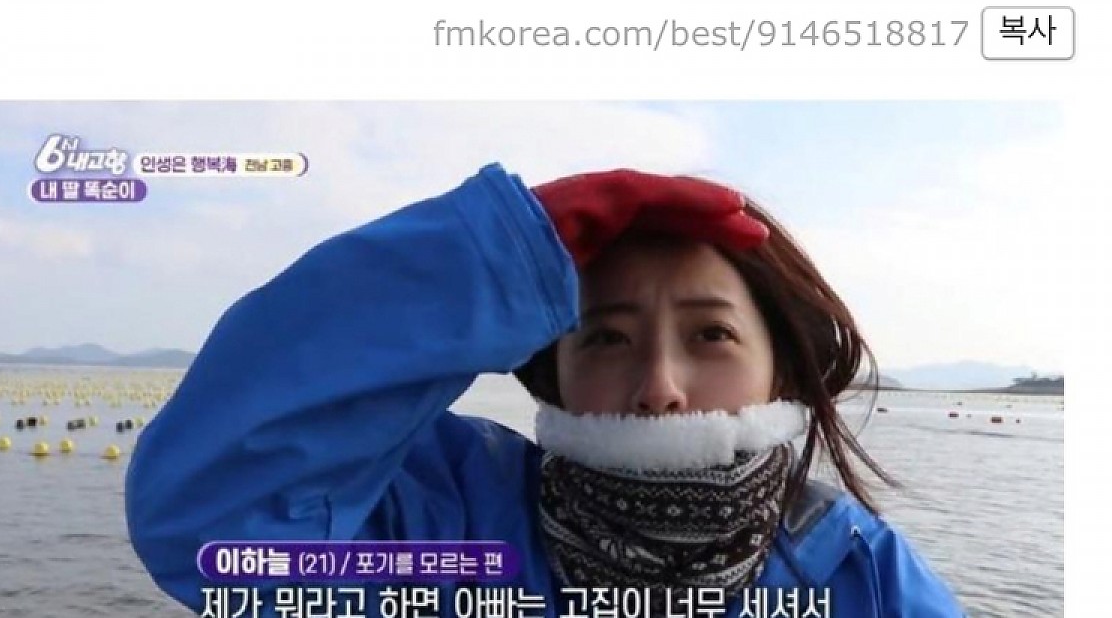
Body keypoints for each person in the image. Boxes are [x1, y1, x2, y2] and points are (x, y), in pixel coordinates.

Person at [126, 162, 965, 617]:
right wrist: (492, 258)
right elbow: (214, 529)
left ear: (779, 367)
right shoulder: (443, 530)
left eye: (710, 335)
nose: (660, 389)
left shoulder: (863, 579)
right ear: (552, 373)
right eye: (605, 338)